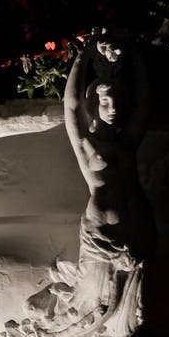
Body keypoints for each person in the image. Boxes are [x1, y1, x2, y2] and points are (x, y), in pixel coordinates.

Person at [64, 27, 156, 267]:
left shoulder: (126, 141)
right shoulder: (86, 144)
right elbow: (71, 105)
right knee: (98, 303)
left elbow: (143, 101)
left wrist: (134, 52)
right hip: (100, 235)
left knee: (139, 303)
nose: (112, 107)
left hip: (137, 225)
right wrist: (83, 53)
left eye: (116, 101)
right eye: (105, 101)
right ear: (94, 103)